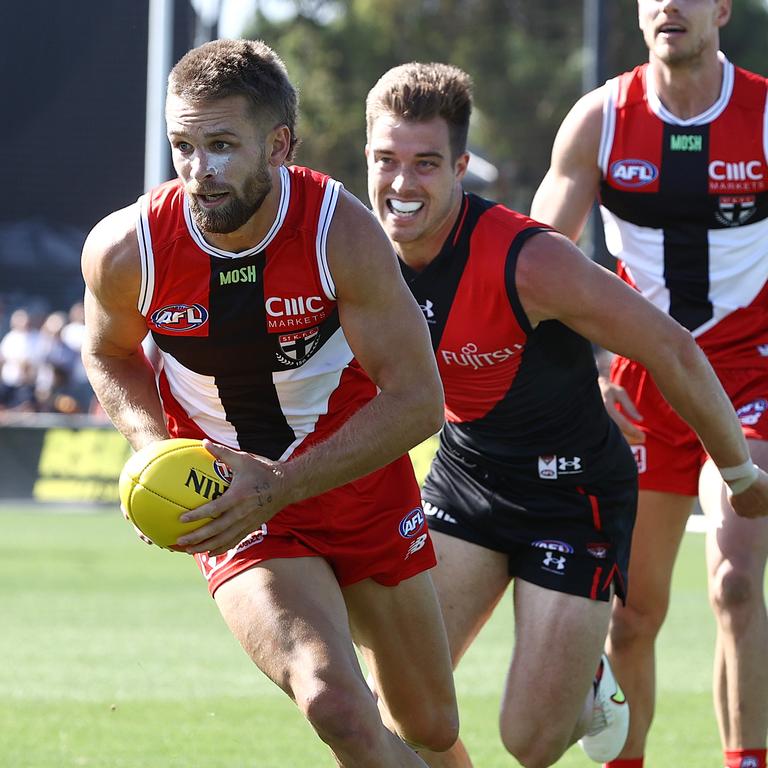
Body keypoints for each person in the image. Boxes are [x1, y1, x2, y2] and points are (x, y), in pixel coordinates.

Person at [364, 60, 768, 768]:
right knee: (398, 705)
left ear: (462, 166)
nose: (402, 184)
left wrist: (739, 470)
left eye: (425, 164)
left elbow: (671, 348)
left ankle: (589, 687)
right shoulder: (352, 256)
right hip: (469, 477)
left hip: (571, 496)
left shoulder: (529, 259)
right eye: (386, 161)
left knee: (531, 741)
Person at [80, 39, 459, 767]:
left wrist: (280, 483)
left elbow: (419, 402)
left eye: (222, 145)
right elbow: (107, 352)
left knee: (432, 726)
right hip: (226, 499)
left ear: (279, 144)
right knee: (337, 706)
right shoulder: (128, 248)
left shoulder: (340, 232)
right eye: (182, 146)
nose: (198, 171)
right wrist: (153, 448)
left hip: (357, 482)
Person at [531, 2, 768, 766]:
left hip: (749, 376)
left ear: (722, 9)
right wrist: (588, 369)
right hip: (641, 383)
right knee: (631, 618)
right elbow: (538, 266)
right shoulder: (600, 119)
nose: (669, 4)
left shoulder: (764, 115)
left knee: (735, 582)